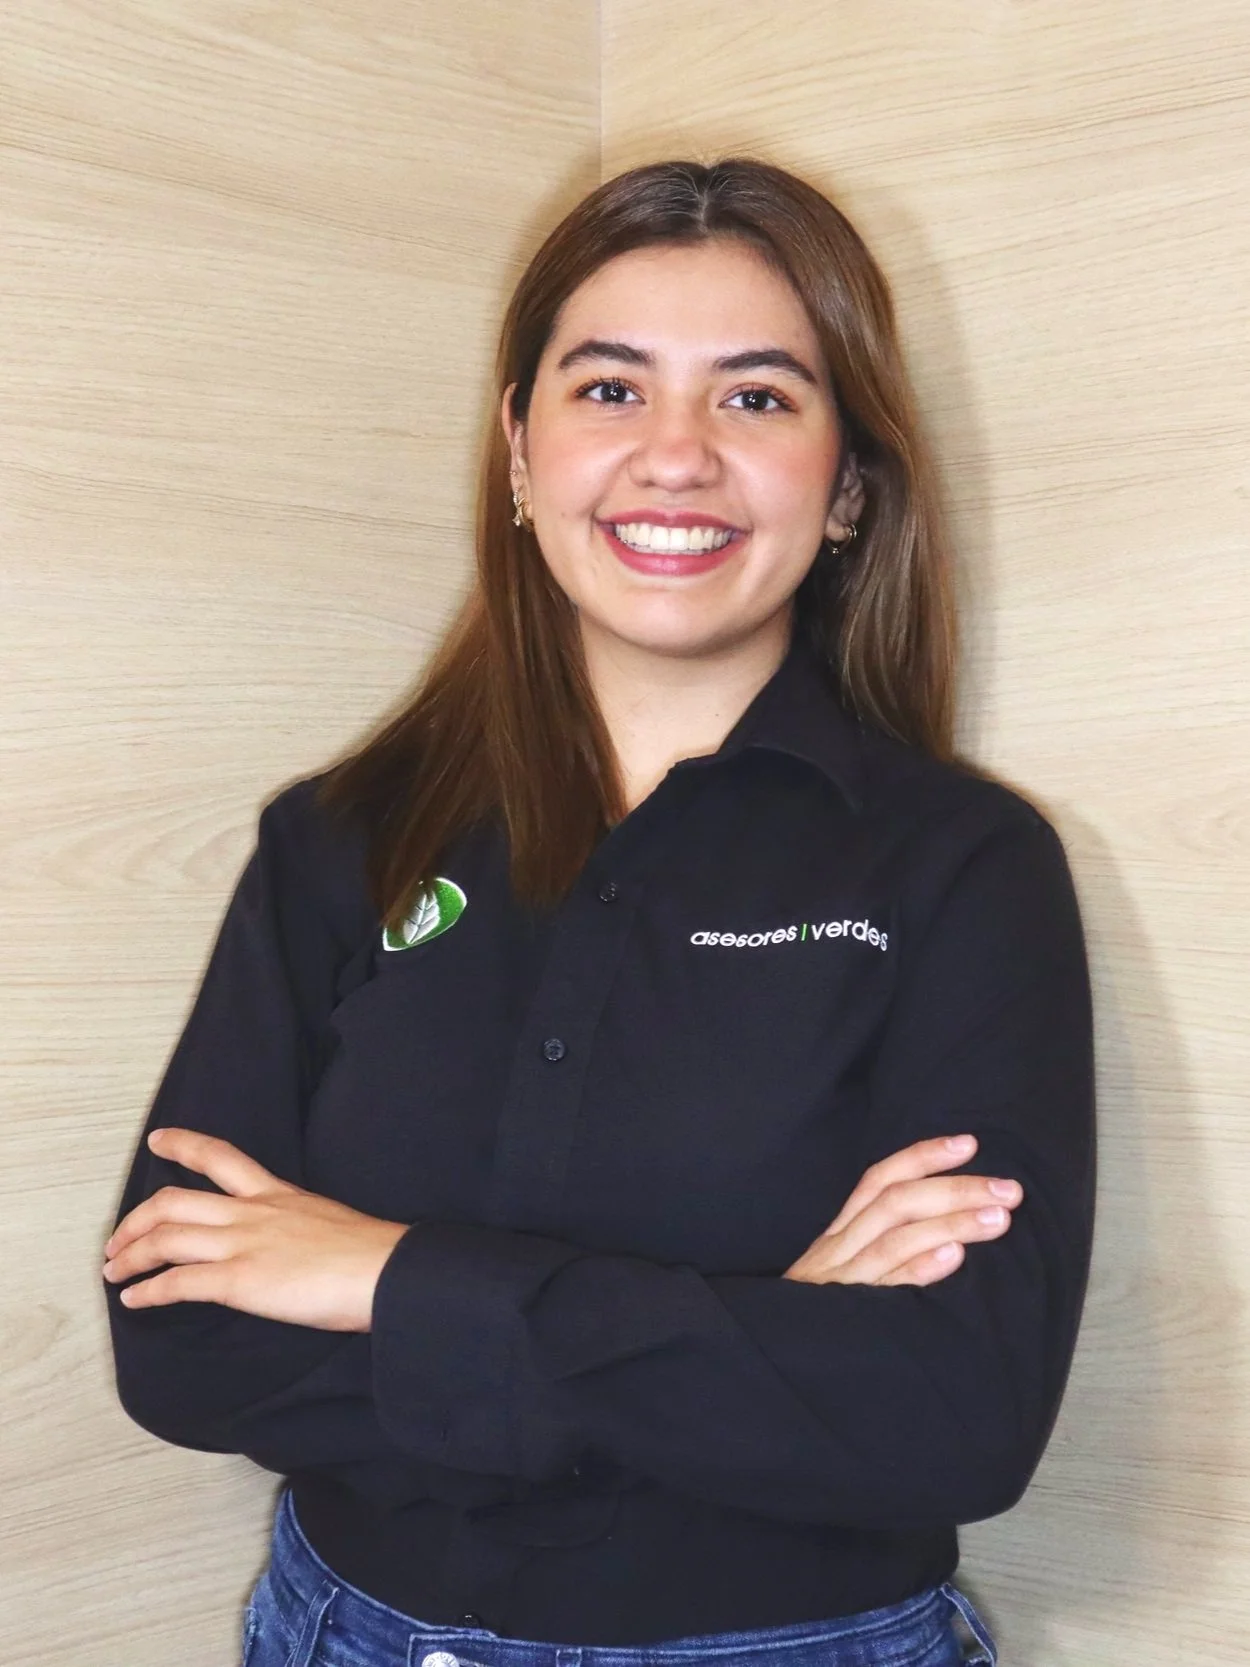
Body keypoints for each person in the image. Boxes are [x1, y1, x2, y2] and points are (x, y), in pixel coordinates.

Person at [102, 158, 1095, 1667]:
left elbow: (953, 1417)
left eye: (756, 397)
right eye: (611, 389)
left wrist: (378, 1278)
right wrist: (749, 1332)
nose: (675, 456)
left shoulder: (964, 867)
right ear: (519, 450)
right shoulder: (340, 839)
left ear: (846, 485)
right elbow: (181, 1340)